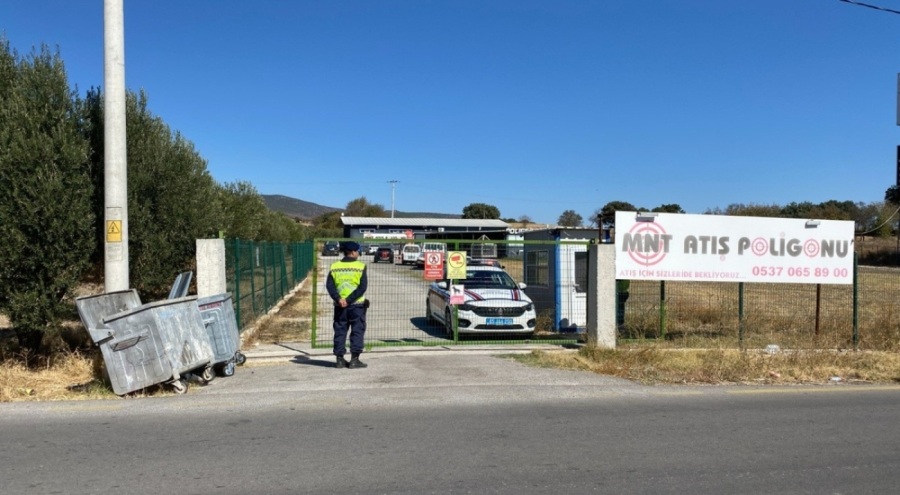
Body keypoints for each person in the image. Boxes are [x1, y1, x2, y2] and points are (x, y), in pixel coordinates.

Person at [325, 241, 369, 369]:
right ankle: (354, 360)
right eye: (358, 251)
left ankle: (339, 360)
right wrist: (349, 300)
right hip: (357, 306)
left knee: (340, 331)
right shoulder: (360, 266)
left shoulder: (334, 266)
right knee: (357, 331)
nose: (358, 254)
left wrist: (339, 299)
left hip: (340, 306)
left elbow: (330, 286)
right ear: (353, 252)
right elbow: (362, 287)